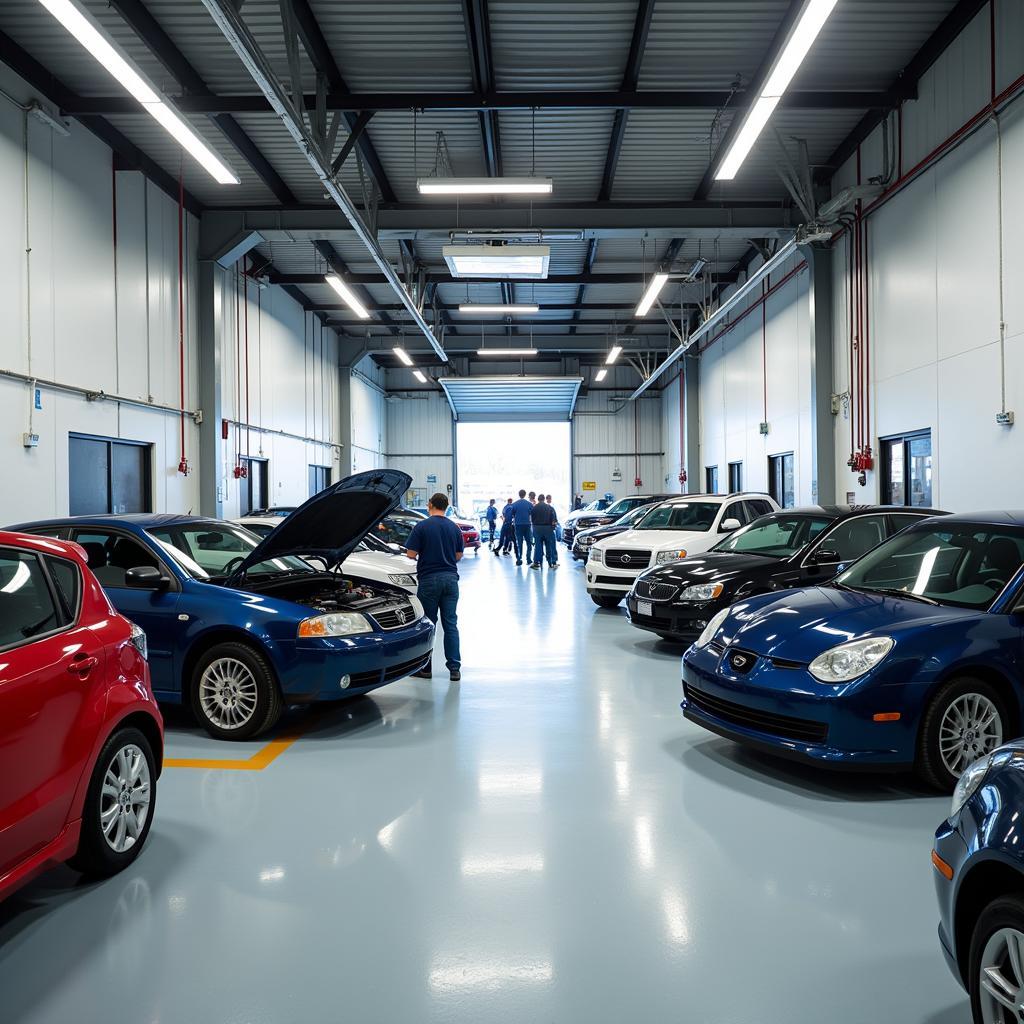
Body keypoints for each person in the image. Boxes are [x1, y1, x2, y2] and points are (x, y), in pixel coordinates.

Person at [405, 492, 464, 681]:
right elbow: (458, 556)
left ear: (430, 504)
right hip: (450, 580)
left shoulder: (421, 526)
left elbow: (411, 554)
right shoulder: (454, 528)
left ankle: (425, 668)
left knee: (428, 624)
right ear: (446, 506)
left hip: (429, 580)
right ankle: (454, 669)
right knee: (451, 624)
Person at [530, 492, 559, 569]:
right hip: (548, 528)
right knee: (550, 545)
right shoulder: (550, 508)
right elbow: (554, 520)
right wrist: (553, 527)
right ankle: (552, 562)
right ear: (544, 499)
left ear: (538, 500)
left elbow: (531, 519)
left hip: (537, 528)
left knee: (538, 546)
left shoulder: (534, 508)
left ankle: (536, 562)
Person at [510, 489, 534, 566]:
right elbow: (532, 514)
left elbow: (512, 514)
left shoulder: (514, 504)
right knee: (529, 542)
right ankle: (529, 559)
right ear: (525, 494)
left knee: (519, 542)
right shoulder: (529, 504)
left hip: (518, 525)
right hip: (527, 525)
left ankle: (519, 558)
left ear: (519, 494)